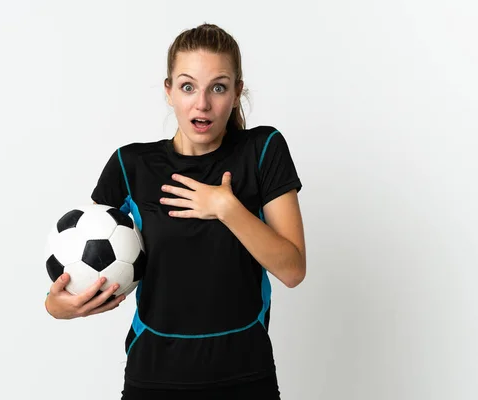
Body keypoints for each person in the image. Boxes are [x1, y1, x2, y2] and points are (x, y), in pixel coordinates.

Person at [45, 23, 306, 399]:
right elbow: (84, 256)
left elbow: (293, 269)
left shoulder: (263, 150)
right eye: (188, 87)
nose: (202, 104)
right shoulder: (131, 164)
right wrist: (57, 306)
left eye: (218, 87)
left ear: (237, 93)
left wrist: (226, 207)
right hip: (153, 378)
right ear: (169, 91)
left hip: (246, 376)